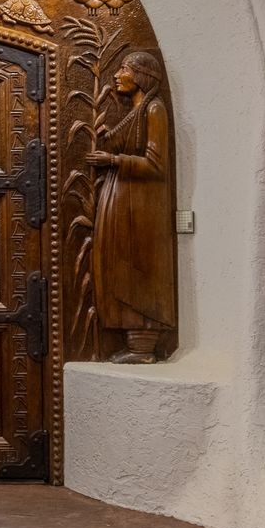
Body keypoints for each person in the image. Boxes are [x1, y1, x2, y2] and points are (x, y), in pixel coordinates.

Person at [86, 50, 175, 363]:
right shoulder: (137, 109)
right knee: (117, 263)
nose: (117, 74)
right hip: (123, 196)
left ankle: (144, 347)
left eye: (123, 68)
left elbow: (156, 164)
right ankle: (134, 342)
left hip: (139, 205)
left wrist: (112, 160)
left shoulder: (154, 109)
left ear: (141, 75)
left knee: (135, 267)